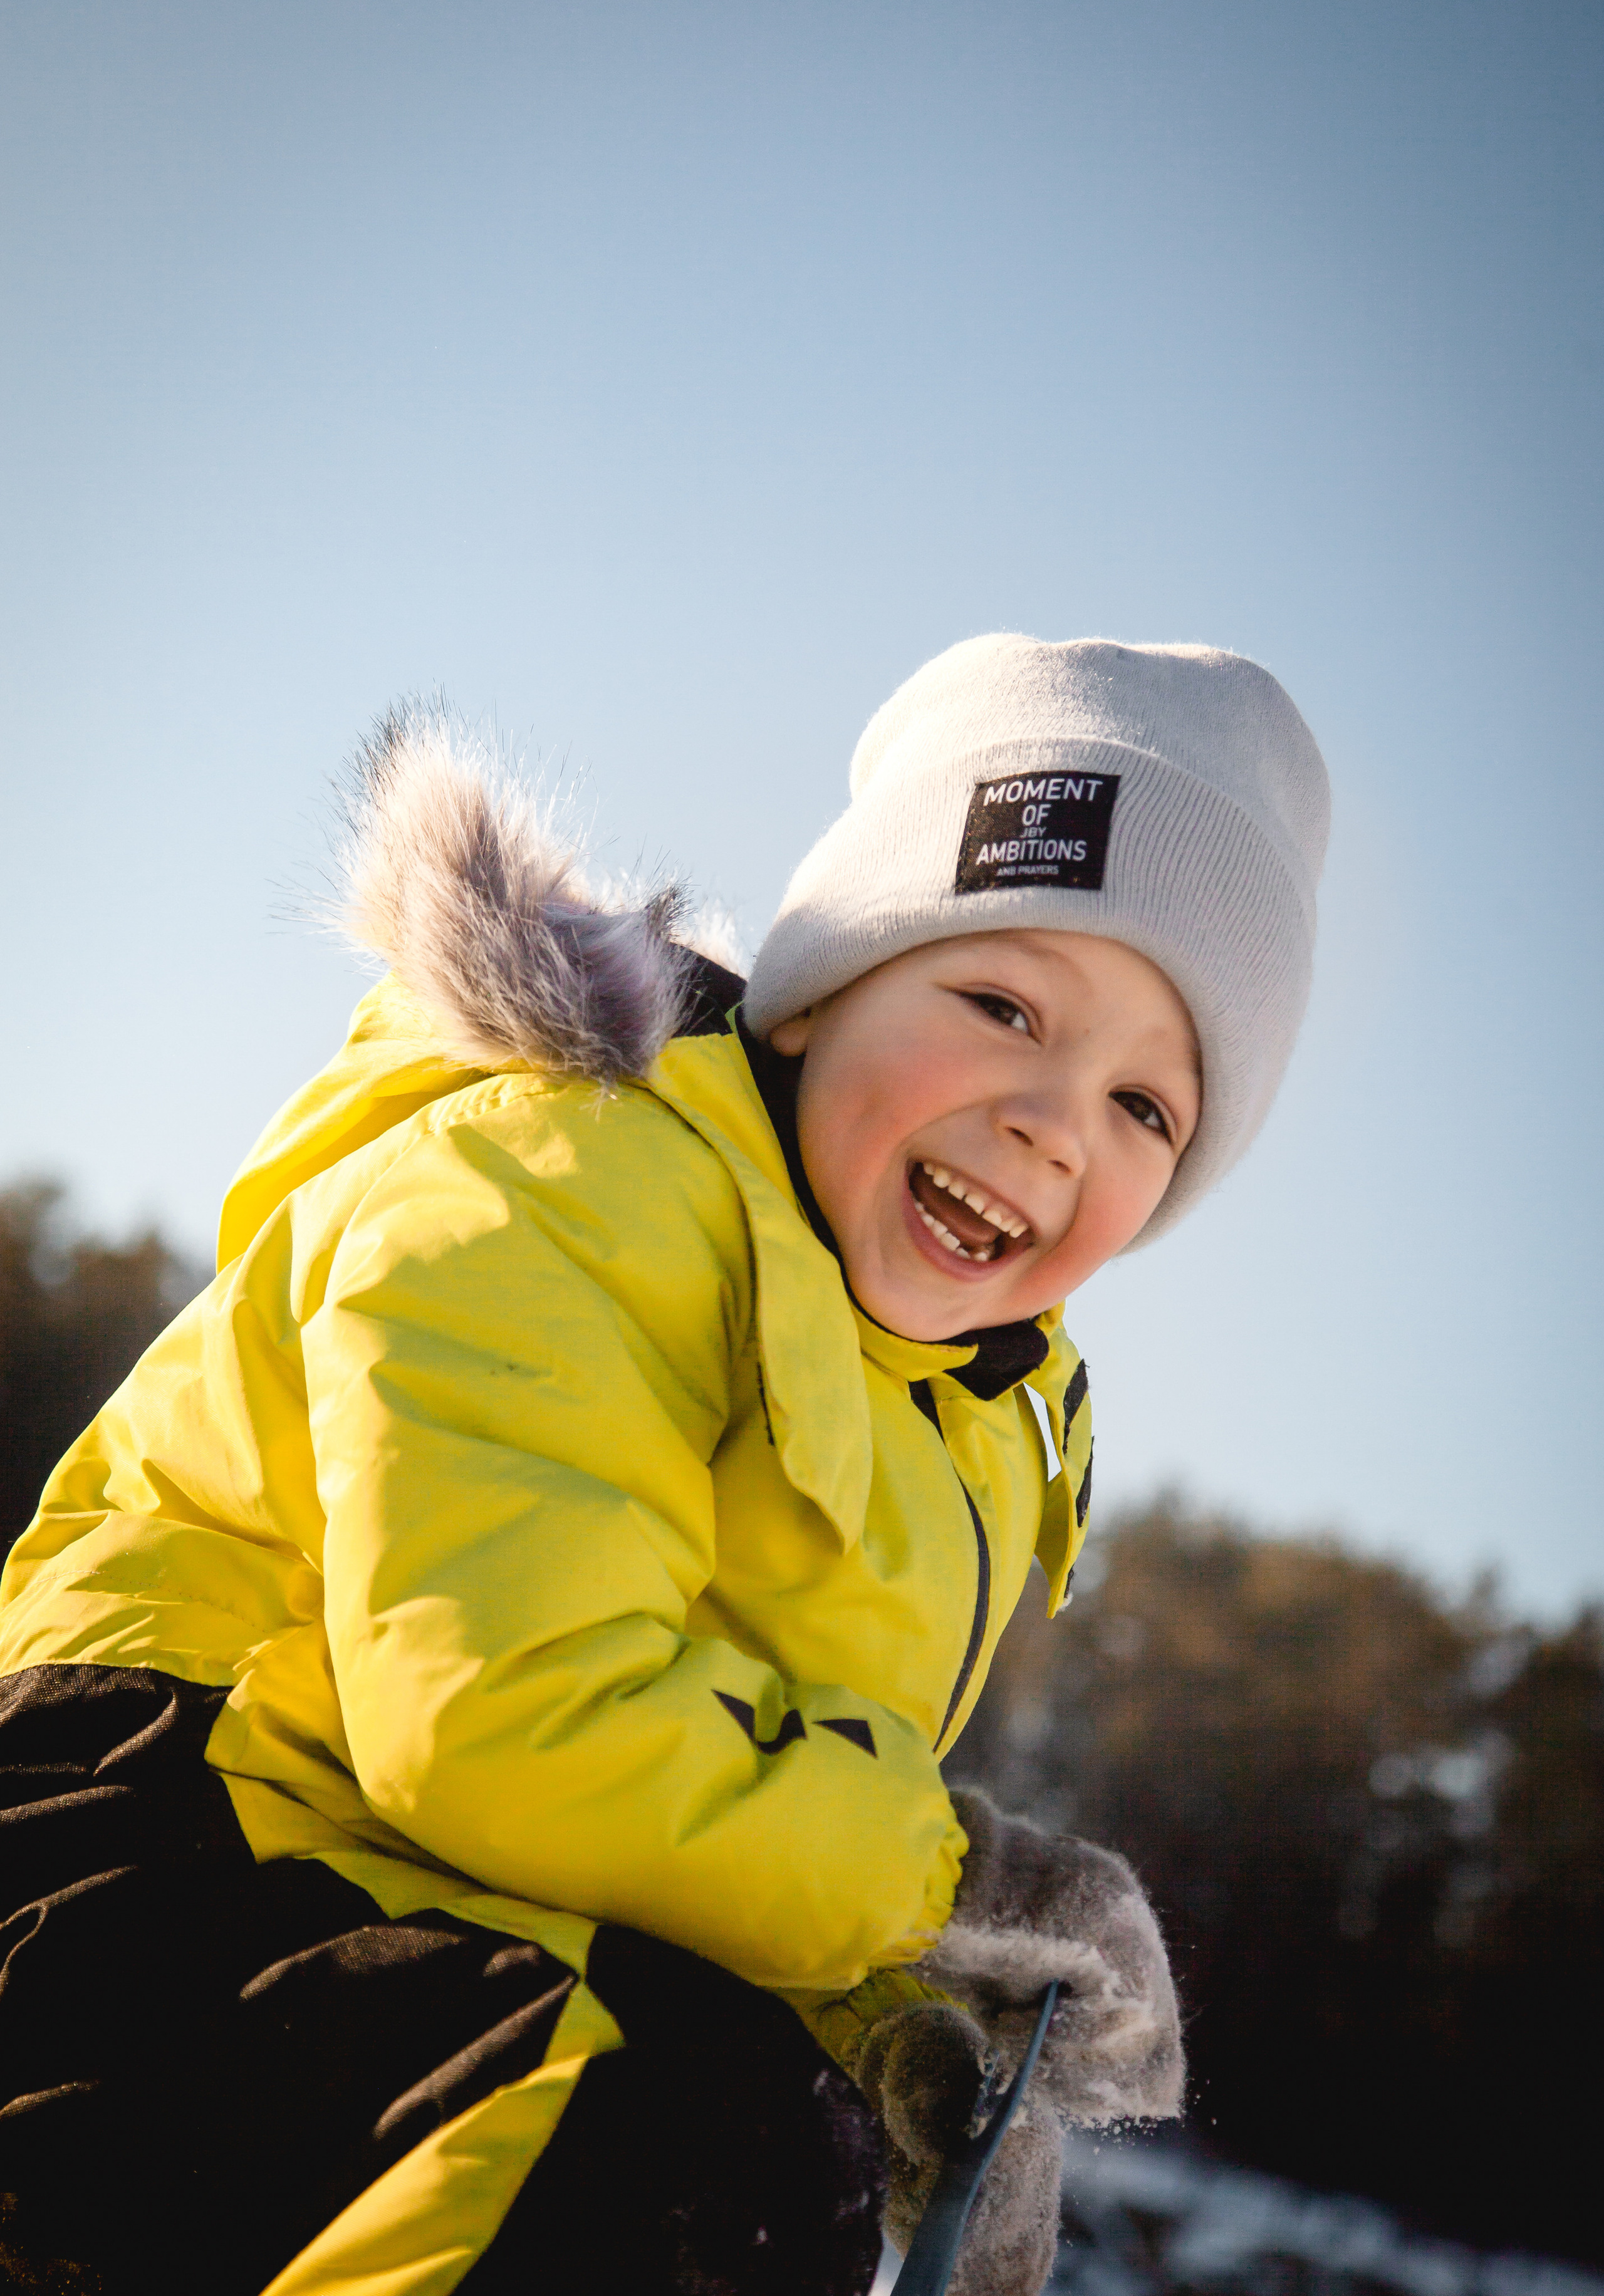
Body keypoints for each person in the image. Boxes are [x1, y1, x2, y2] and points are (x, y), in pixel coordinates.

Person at [0, 635, 1329, 2296]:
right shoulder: (570, 1169)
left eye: (1146, 1108)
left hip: (410, 1922)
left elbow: (683, 1818)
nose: (1056, 1121)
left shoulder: (951, 1430)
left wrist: (891, 2034)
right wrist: (945, 1887)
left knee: (750, 2142)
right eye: (1003, 1006)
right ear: (827, 986)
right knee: (683, 2131)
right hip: (142, 1856)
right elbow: (503, 1716)